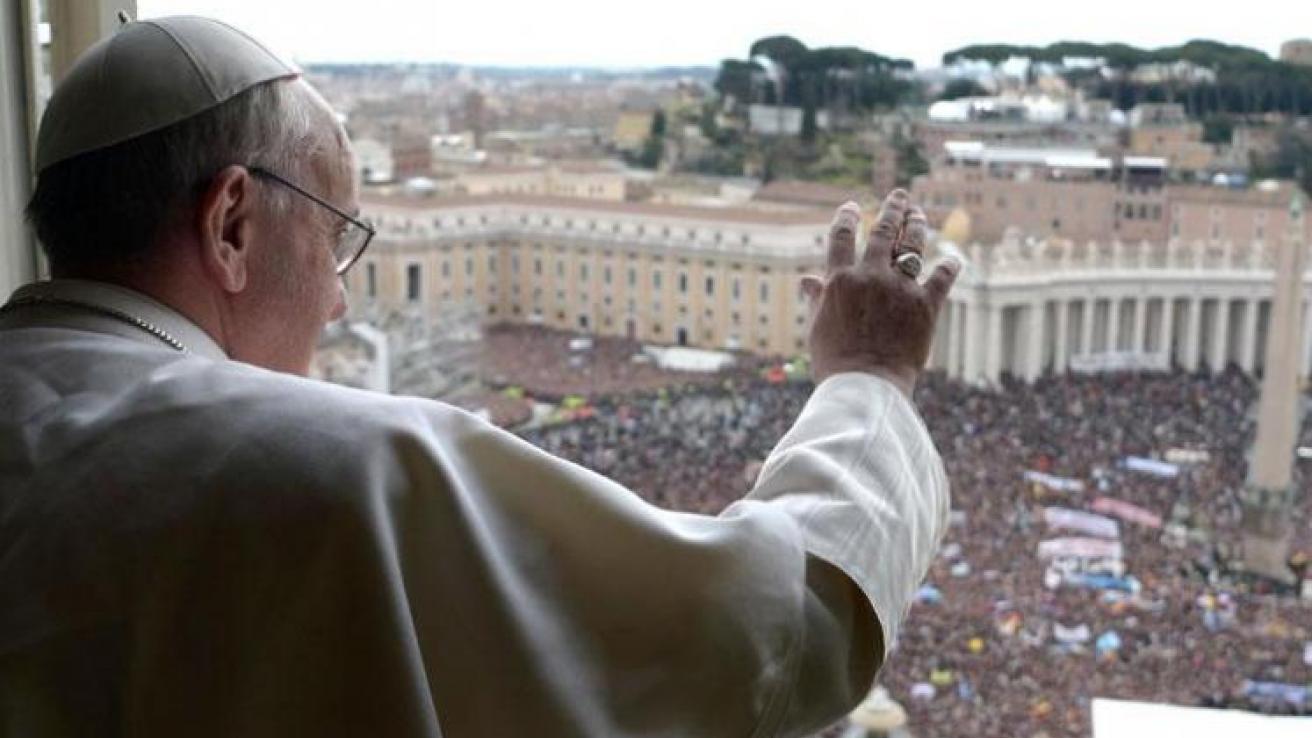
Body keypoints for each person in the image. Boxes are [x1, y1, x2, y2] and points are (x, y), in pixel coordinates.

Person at [0, 15, 959, 738]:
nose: (338, 301)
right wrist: (870, 376)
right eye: (334, 240)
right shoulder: (339, 468)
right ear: (232, 224)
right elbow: (776, 635)